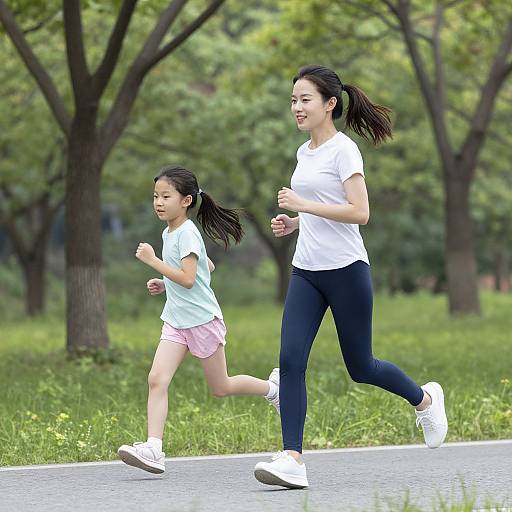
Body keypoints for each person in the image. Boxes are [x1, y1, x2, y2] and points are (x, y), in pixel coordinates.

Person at [253, 65, 448, 489]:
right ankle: (292, 459)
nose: (297, 107)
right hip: (306, 271)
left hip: (346, 271)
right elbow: (325, 210)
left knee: (361, 366)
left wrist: (304, 203)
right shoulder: (303, 153)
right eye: (292, 100)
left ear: (329, 104)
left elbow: (359, 212)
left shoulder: (345, 151)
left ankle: (426, 398)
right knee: (289, 361)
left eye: (304, 99)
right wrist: (297, 222)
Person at [118, 165, 279, 474]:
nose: (158, 202)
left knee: (222, 386)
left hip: (202, 321)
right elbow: (207, 267)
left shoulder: (187, 232)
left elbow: (191, 279)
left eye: (166, 196)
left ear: (186, 201)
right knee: (156, 379)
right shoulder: (171, 232)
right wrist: (166, 284)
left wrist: (154, 263)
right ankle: (154, 448)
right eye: (155, 196)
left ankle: (273, 389)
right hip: (177, 321)